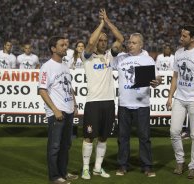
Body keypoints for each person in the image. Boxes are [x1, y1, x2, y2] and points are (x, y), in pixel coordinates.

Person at [81, 9, 124, 180]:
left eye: (106, 40)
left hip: (108, 102)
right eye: (102, 40)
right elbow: (90, 42)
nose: (104, 42)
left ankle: (98, 168)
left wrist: (108, 22)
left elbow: (120, 39)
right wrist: (100, 24)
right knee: (89, 137)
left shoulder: (110, 56)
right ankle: (86, 168)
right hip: (93, 102)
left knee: (104, 137)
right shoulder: (87, 57)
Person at [112, 33, 162, 177]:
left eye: (134, 43)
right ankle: (122, 165)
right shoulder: (120, 58)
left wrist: (157, 82)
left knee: (144, 137)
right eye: (129, 42)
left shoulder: (148, 60)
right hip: (124, 104)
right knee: (122, 137)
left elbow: (156, 78)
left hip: (142, 104)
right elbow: (113, 50)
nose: (130, 45)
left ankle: (147, 166)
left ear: (141, 45)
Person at [166, 25, 194, 179]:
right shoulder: (178, 53)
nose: (181, 38)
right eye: (181, 35)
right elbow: (175, 76)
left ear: (192, 38)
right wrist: (170, 96)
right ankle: (180, 161)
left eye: (184, 36)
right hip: (180, 98)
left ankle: (193, 166)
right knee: (174, 131)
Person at [38, 36, 79, 184]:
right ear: (53, 49)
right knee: (55, 146)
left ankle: (63, 173)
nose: (65, 47)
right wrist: (55, 110)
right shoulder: (46, 67)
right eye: (62, 45)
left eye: (66, 45)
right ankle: (54, 177)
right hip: (57, 113)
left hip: (68, 111)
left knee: (65, 145)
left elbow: (70, 87)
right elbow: (42, 91)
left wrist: (74, 105)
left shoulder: (64, 66)